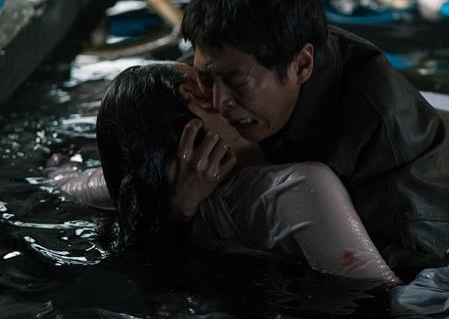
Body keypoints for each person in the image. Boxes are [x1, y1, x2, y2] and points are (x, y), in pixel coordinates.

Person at [176, 0, 449, 278]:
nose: (218, 102)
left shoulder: (379, 126)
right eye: (207, 79)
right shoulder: (224, 60)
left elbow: (423, 268)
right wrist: (179, 210)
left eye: (237, 82)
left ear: (301, 65)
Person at [79, 62, 399, 284]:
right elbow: (382, 298)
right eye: (205, 82)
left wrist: (177, 214)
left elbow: (65, 182)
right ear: (193, 96)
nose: (221, 96)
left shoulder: (150, 197)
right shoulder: (298, 188)